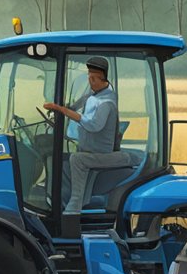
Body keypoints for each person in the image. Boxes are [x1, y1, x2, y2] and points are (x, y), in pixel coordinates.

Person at [42, 56, 134, 213]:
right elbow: (74, 106)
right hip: (90, 150)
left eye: (93, 79)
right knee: (57, 157)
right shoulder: (92, 96)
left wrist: (63, 110)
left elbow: (93, 125)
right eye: (89, 77)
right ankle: (56, 201)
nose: (90, 82)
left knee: (77, 160)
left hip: (101, 154)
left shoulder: (106, 102)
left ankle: (73, 208)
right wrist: (59, 110)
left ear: (103, 79)